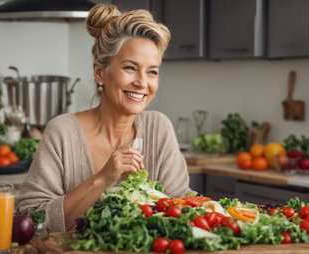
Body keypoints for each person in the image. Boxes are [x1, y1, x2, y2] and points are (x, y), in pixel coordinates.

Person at [16, 4, 190, 232]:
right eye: (130, 67)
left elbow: (182, 210)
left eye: (152, 71)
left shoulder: (159, 128)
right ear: (100, 73)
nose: (142, 82)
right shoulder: (63, 132)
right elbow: (32, 219)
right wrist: (103, 178)